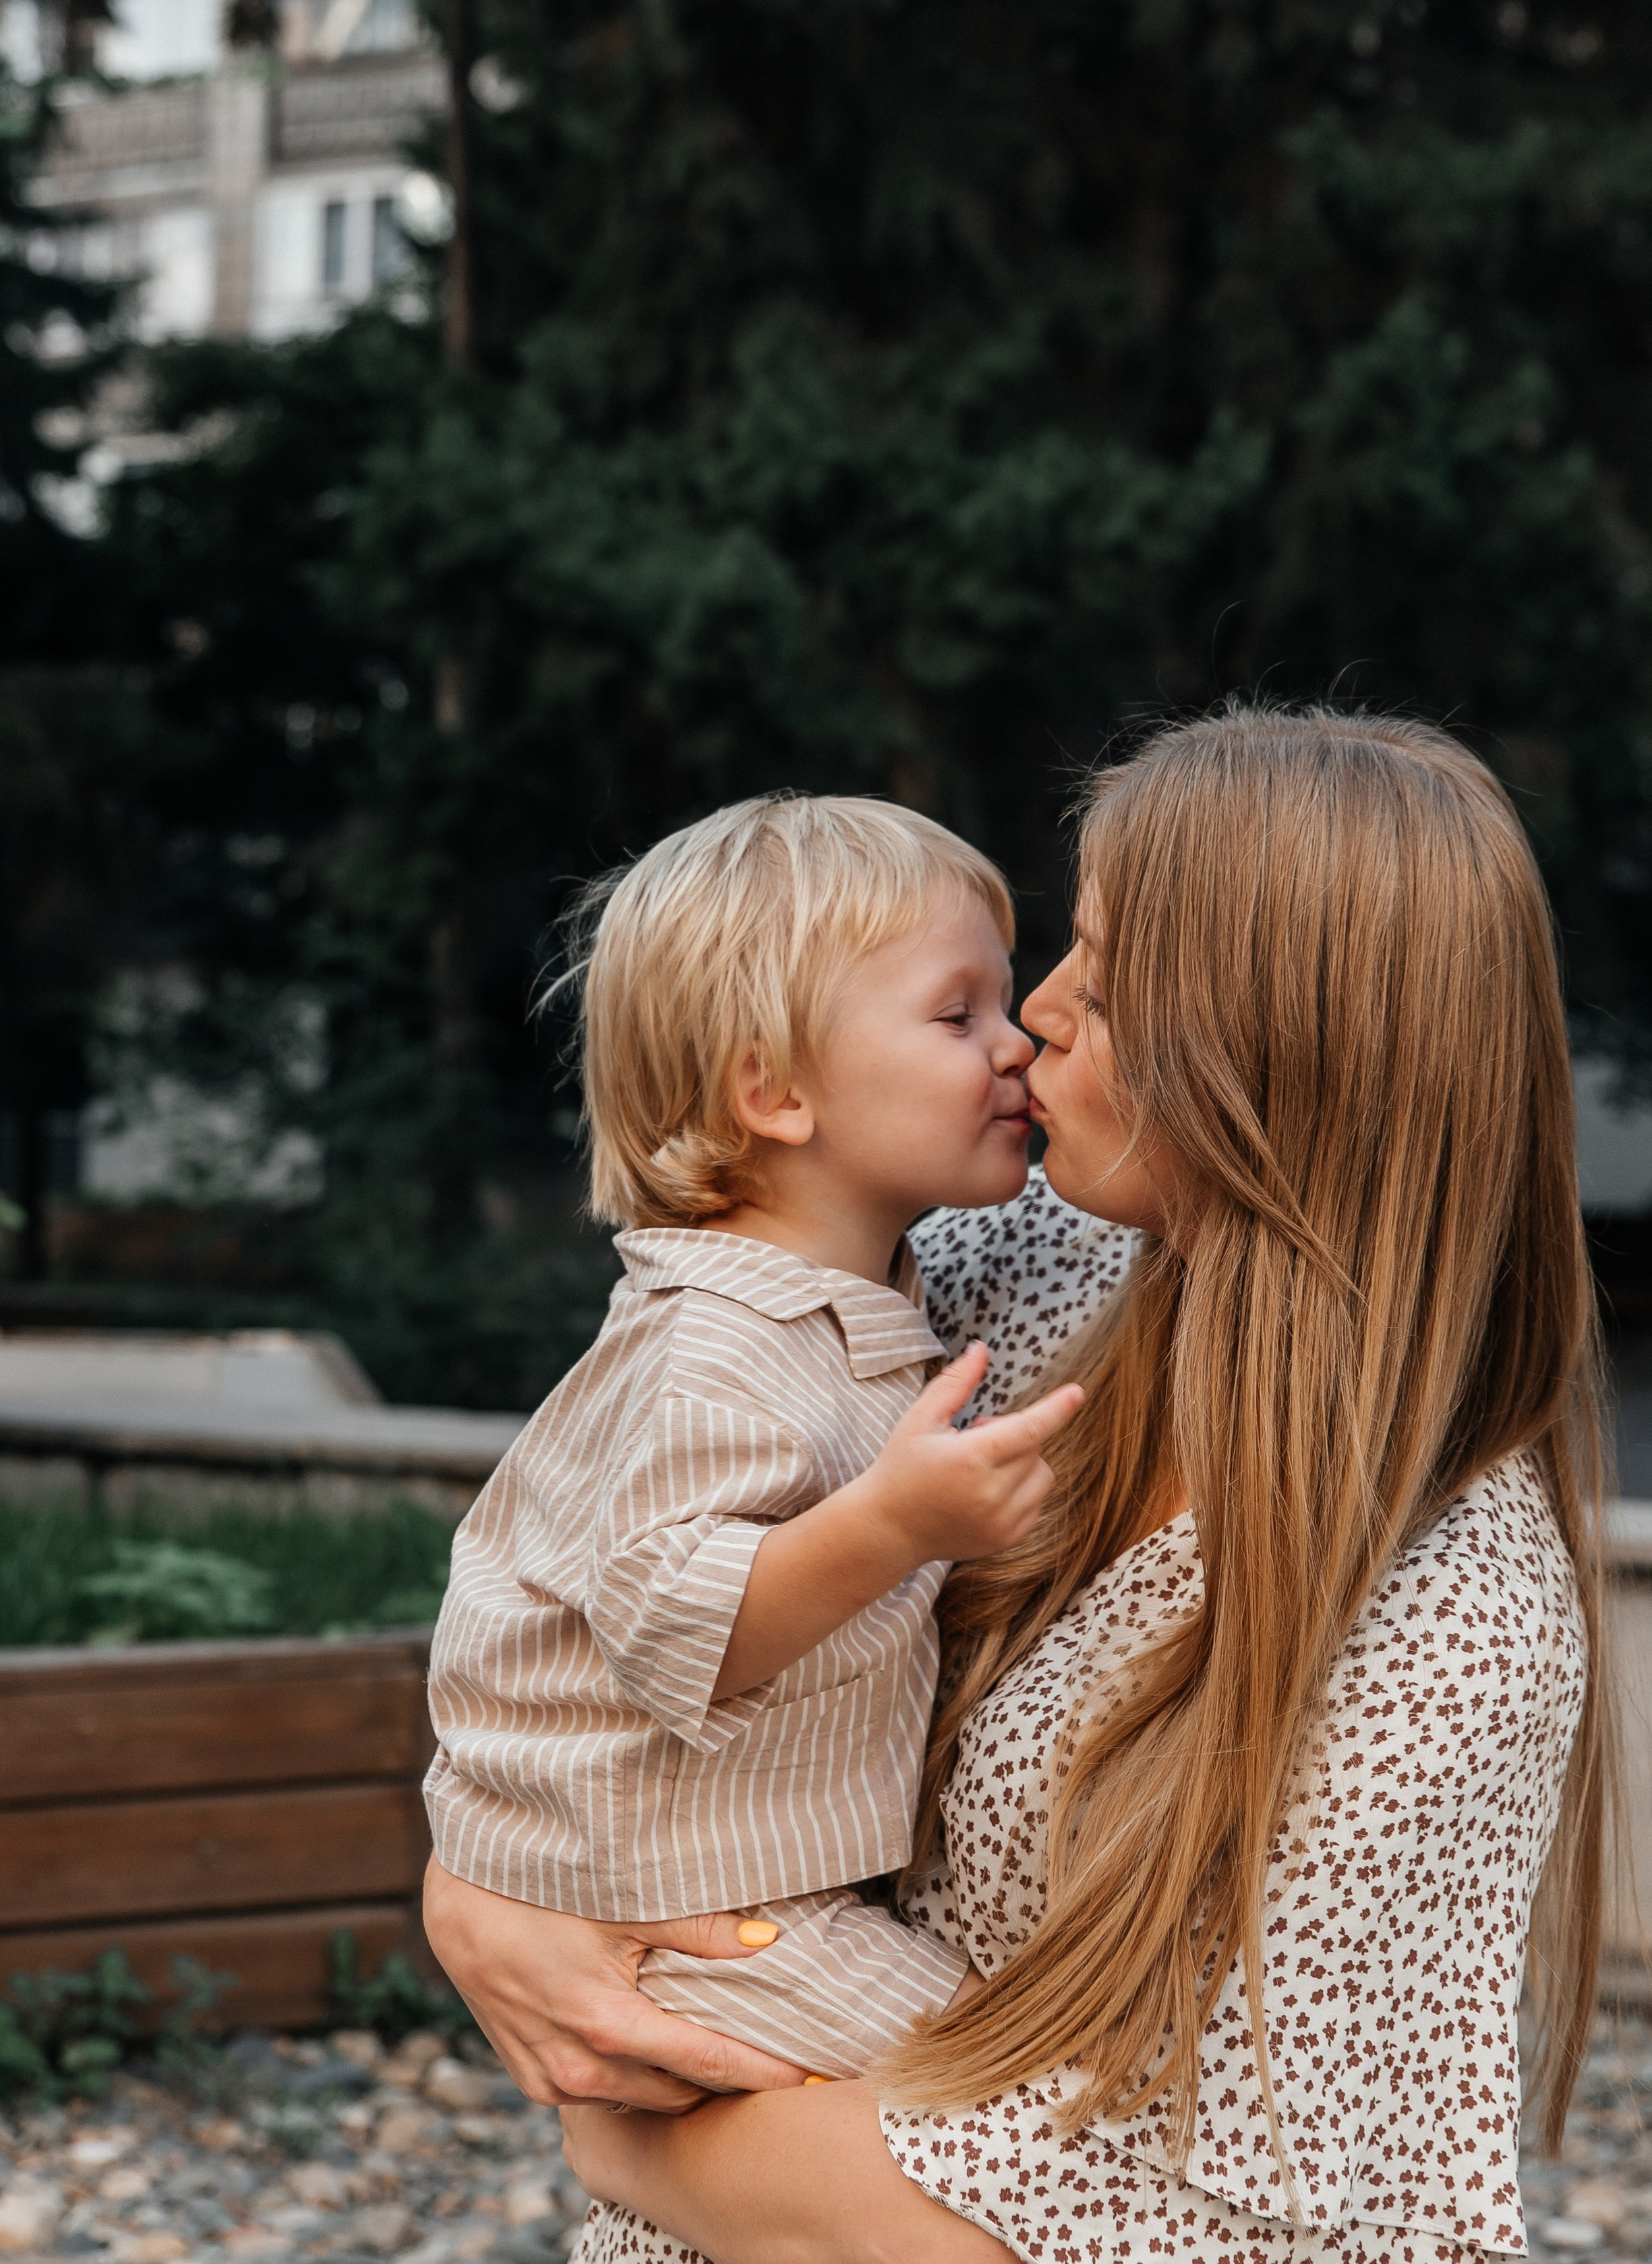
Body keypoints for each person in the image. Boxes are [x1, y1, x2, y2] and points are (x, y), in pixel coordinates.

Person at [424, 707, 1606, 2264]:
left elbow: (1148, 2236)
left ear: (1268, 1064)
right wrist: (478, 1887)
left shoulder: (1445, 1632)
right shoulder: (1008, 1282)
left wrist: (620, 2128)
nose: (1035, 1018)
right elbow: (604, 1539)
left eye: (1098, 986)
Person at [424, 794, 1091, 2110]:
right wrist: (895, 1526)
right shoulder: (715, 1345)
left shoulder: (853, 1299)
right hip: (691, 1911)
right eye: (957, 1016)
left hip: (716, 1887)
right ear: (772, 1092)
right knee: (1023, 2101)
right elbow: (676, 1621)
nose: (1017, 1045)